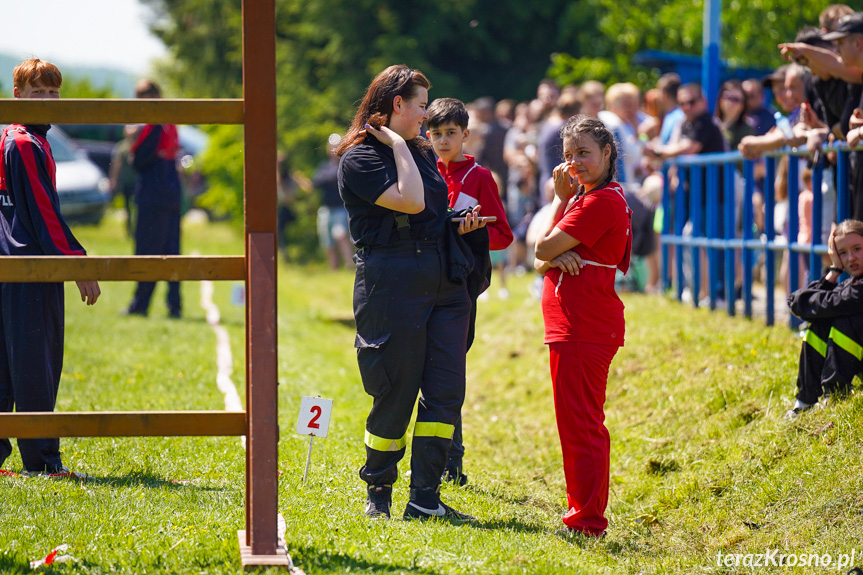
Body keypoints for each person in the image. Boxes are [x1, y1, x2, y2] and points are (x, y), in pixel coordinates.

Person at [336, 64, 487, 521]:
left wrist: (461, 224)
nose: (426, 116)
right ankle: (378, 490)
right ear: (396, 104)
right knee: (396, 390)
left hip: (442, 277)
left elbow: (431, 212)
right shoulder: (359, 157)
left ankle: (425, 497)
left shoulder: (420, 151)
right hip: (391, 279)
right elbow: (410, 201)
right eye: (420, 105)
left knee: (444, 391)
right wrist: (400, 145)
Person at [0, 58, 101, 478]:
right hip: (30, 269)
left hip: (8, 266)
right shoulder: (25, 143)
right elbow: (43, 214)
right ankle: (42, 462)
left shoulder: (12, 137)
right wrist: (77, 263)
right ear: (17, 95)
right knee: (36, 364)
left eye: (53, 93)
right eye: (38, 92)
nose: (48, 99)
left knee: (6, 365)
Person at [533, 115, 632, 536]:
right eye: (569, 156)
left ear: (608, 153)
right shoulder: (589, 198)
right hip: (575, 325)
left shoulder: (600, 201)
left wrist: (560, 205)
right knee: (574, 424)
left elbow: (541, 246)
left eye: (585, 153)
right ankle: (582, 512)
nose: (575, 164)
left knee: (583, 426)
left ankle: (588, 520)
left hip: (584, 326)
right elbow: (540, 260)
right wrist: (554, 253)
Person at [426, 97, 514, 486]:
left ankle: (452, 460)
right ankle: (430, 458)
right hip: (423, 282)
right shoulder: (423, 169)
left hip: (461, 287)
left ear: (465, 135)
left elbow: (503, 234)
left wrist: (474, 230)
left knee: (448, 373)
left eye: (450, 134)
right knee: (422, 372)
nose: (443, 141)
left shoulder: (479, 177)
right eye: (436, 134)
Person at [785, 219, 863, 419]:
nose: (851, 258)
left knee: (844, 321)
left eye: (857, 248)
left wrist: (835, 271)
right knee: (820, 322)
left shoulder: (858, 289)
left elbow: (804, 304)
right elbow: (797, 303)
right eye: (843, 253)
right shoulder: (851, 283)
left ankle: (834, 396)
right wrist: (835, 270)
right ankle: (805, 401)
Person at [125, 80, 183, 319]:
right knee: (171, 248)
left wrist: (133, 143)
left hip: (153, 191)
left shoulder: (152, 125)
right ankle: (174, 304)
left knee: (147, 249)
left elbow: (138, 160)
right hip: (170, 189)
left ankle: (141, 304)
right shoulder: (170, 122)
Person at [312, 135, 354, 269]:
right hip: (326, 209)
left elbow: (328, 178)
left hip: (341, 208)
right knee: (327, 243)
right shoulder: (324, 165)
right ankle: (333, 270)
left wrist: (327, 179)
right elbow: (316, 181)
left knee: (340, 235)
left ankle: (349, 266)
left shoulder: (346, 163)